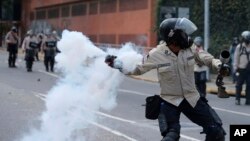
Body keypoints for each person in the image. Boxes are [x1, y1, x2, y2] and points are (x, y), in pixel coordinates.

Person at [105, 18, 230, 141]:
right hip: (170, 100)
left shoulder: (190, 48)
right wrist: (119, 65)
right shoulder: (156, 54)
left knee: (216, 131)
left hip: (191, 98)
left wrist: (219, 65)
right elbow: (138, 69)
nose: (186, 36)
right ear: (174, 37)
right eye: (183, 33)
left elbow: (207, 58)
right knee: (171, 136)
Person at [233, 31, 250, 105]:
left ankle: (248, 100)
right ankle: (237, 99)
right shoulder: (239, 47)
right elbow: (236, 58)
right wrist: (235, 68)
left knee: (249, 85)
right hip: (241, 69)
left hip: (249, 70)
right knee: (239, 85)